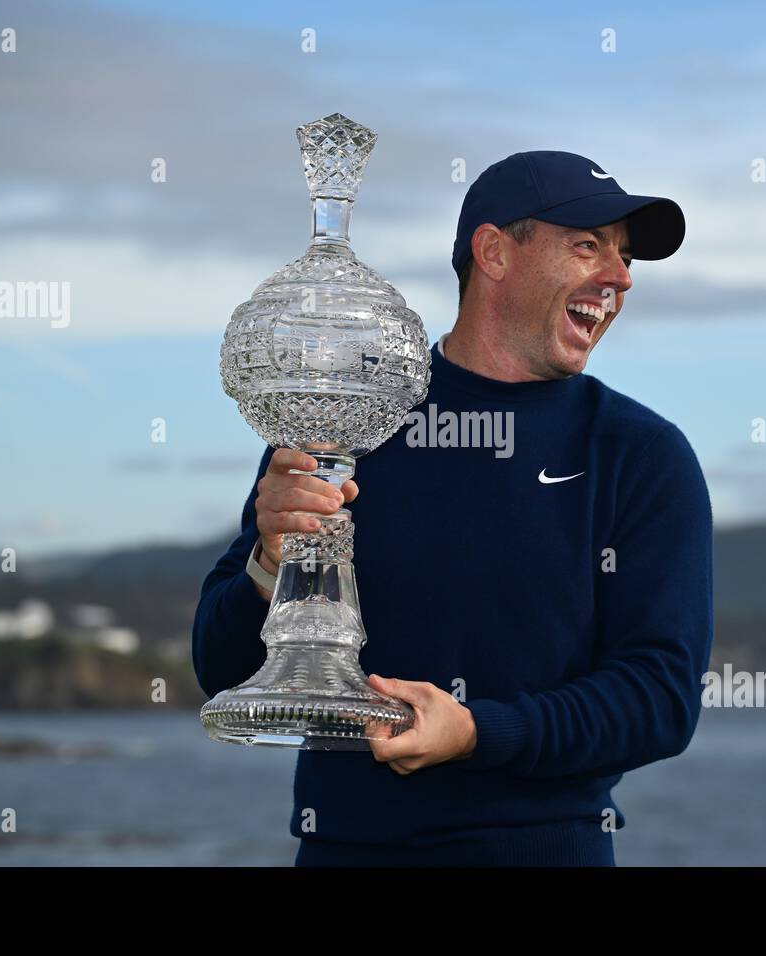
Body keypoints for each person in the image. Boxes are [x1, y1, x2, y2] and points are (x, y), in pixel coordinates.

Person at [192, 150, 714, 866]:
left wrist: (478, 731)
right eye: (588, 245)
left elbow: (660, 700)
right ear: (494, 252)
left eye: (625, 257)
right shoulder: (346, 423)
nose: (620, 278)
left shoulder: (642, 456)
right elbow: (220, 669)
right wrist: (268, 562)